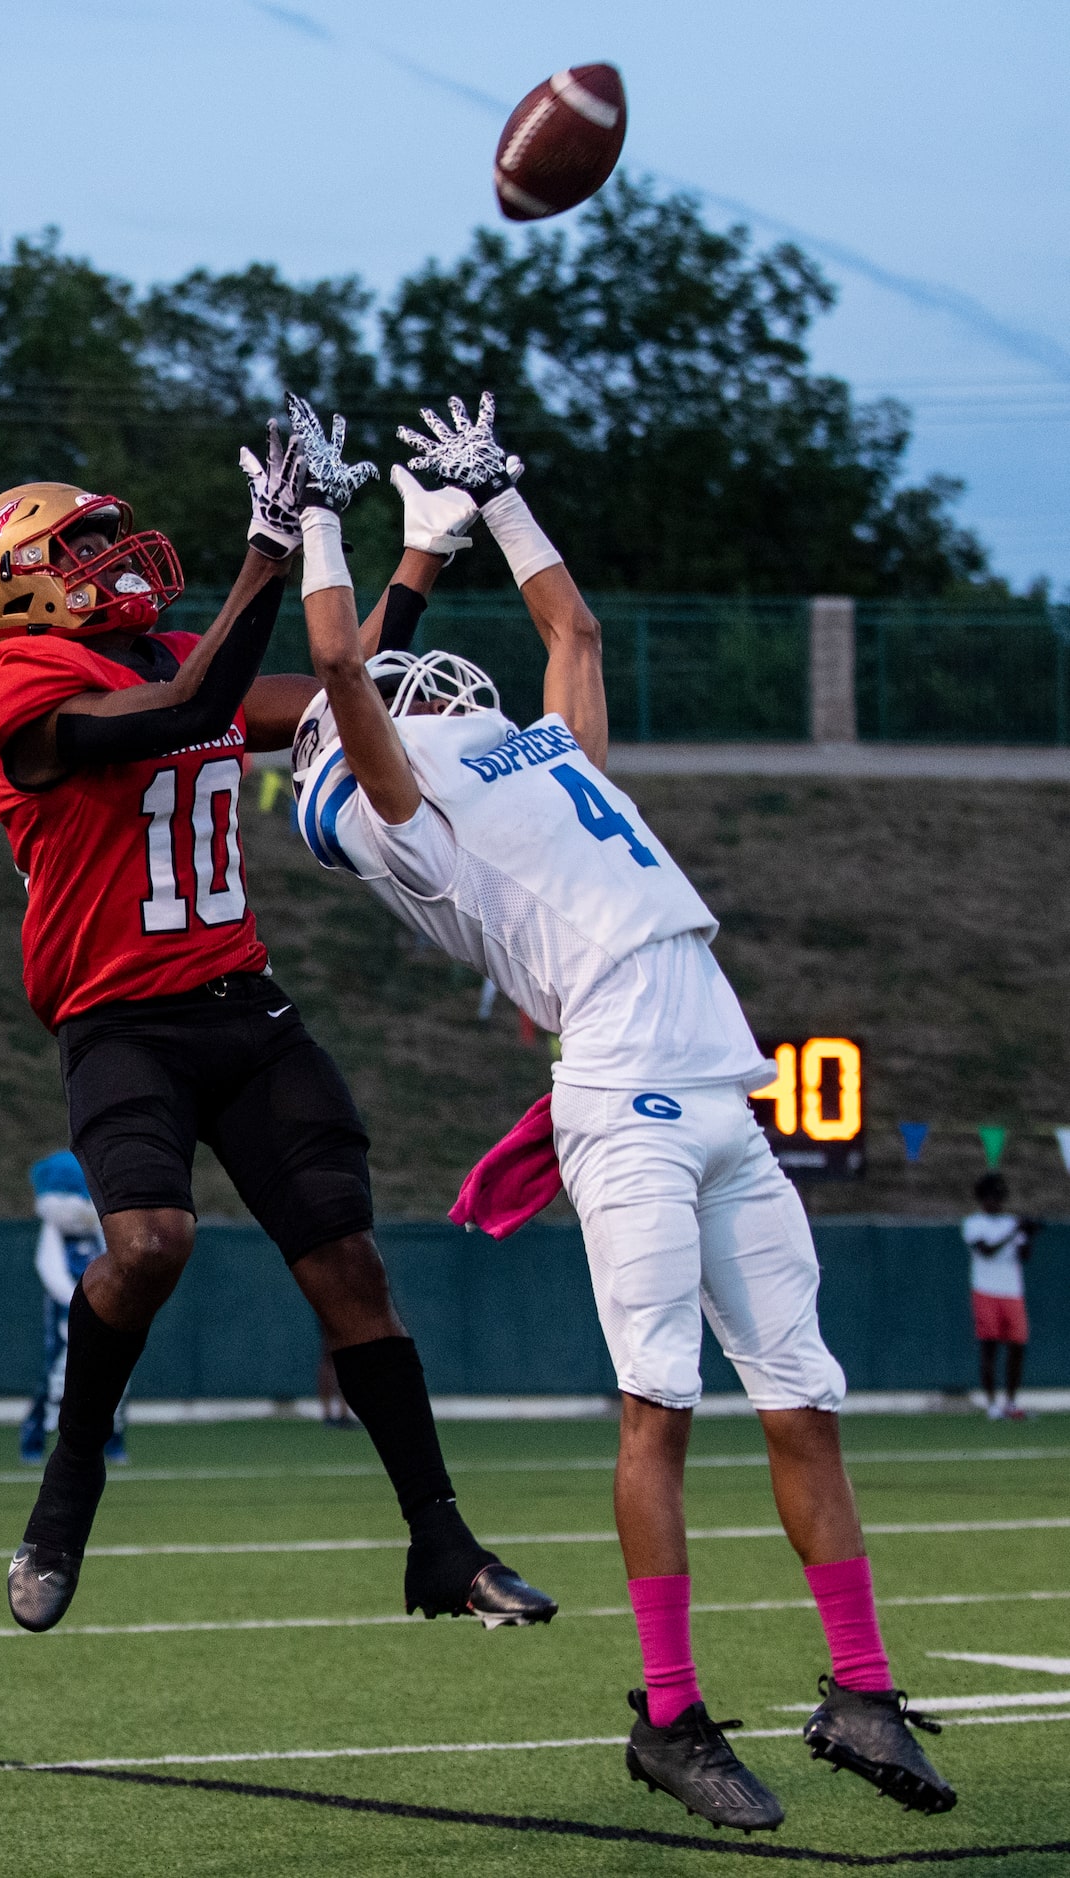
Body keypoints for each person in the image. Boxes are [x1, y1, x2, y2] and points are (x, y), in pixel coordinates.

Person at [286, 389, 957, 1833]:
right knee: (660, 1404)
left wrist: (497, 493)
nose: (425, 692)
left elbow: (574, 637)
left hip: (724, 1087)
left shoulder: (532, 754)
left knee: (806, 1399)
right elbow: (340, 656)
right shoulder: (412, 814)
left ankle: (859, 1686)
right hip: (630, 1104)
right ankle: (667, 1712)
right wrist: (325, 514)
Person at [0, 435, 555, 1638]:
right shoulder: (14, 685)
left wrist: (424, 548)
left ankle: (441, 1541)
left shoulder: (184, 654)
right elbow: (184, 708)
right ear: (12, 586)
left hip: (241, 1004)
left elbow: (346, 687)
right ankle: (69, 1490)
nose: (107, 558)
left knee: (351, 1270)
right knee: (152, 1244)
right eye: (75, 551)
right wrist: (271, 549)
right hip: (119, 1019)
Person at [20, 1151, 127, 1466]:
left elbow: (115, 1261)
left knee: (113, 1375)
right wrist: (79, 1301)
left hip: (107, 1314)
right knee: (57, 1377)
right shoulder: (54, 1235)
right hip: (67, 1316)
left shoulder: (101, 1232)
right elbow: (50, 1269)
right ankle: (35, 1440)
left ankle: (113, 1440)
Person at [962, 1172, 1040, 1421]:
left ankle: (1012, 1401)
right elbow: (985, 1250)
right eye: (991, 1197)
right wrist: (1014, 1231)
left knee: (1017, 1347)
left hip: (1012, 1291)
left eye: (999, 1197)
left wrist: (1028, 1234)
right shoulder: (974, 1223)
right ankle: (992, 1405)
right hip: (986, 1290)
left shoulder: (1011, 1222)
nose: (995, 1202)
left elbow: (1023, 1256)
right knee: (990, 1348)